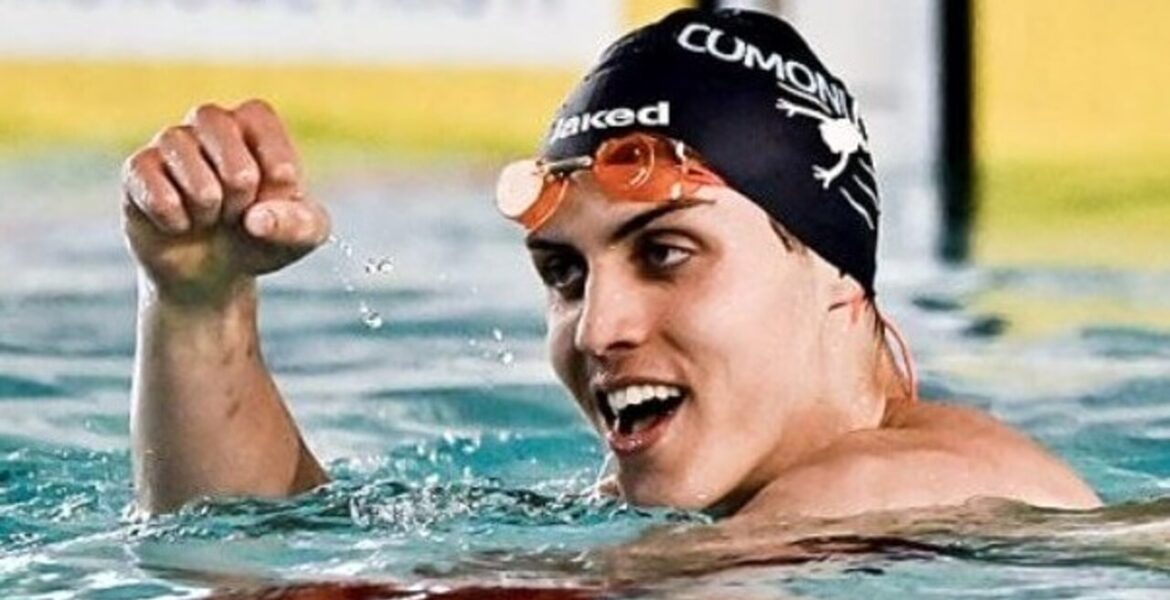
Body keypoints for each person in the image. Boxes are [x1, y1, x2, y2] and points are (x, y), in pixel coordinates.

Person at [121, 8, 1100, 517]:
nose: (598, 328)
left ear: (838, 284)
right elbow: (256, 549)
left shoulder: (891, 490)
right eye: (564, 274)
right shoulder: (742, 506)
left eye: (667, 253)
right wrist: (199, 304)